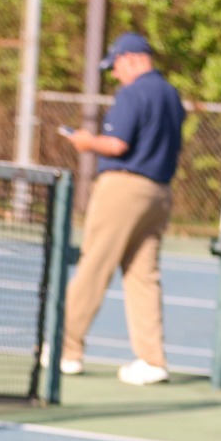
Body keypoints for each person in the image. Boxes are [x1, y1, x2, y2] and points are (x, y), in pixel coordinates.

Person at [60, 33, 186, 384]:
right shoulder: (171, 95)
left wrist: (85, 142)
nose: (115, 74)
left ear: (132, 58)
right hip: (159, 193)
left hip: (124, 188)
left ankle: (65, 350)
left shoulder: (133, 93)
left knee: (94, 265)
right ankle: (152, 360)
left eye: (115, 65)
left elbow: (117, 144)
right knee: (143, 276)